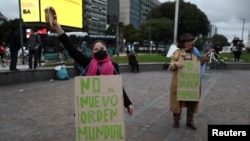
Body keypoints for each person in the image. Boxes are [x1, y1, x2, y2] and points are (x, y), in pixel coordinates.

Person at [52, 21, 134, 115]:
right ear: (92, 53)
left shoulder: (114, 66)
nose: (100, 51)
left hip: (107, 105)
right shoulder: (88, 63)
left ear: (106, 50)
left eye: (102, 48)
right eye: (96, 49)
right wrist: (60, 31)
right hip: (91, 107)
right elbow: (72, 50)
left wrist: (128, 103)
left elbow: (118, 87)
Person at [168, 33, 213, 130]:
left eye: (191, 41)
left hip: (192, 82)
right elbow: (170, 66)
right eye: (188, 41)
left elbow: (200, 62)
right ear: (183, 43)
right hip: (179, 82)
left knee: (192, 102)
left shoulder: (195, 52)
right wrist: (175, 64)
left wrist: (206, 56)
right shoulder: (177, 52)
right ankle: (176, 120)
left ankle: (190, 121)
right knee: (177, 102)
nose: (190, 43)